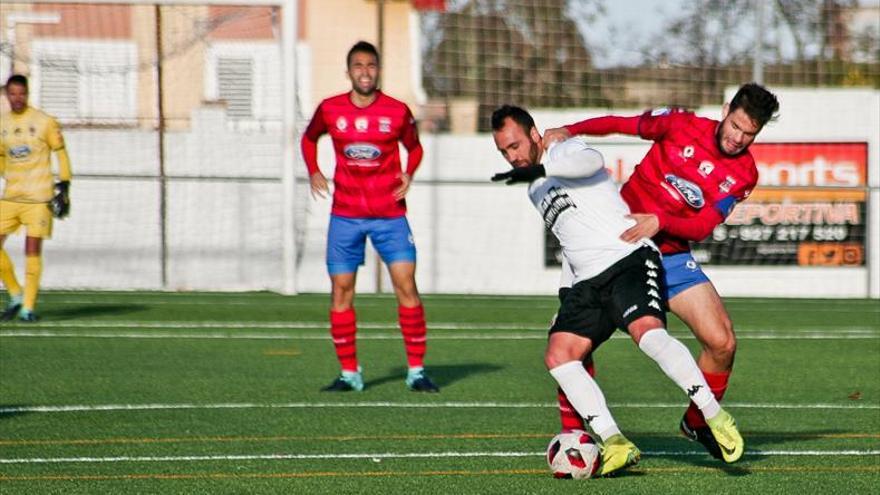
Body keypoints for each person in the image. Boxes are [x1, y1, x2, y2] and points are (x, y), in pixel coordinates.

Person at [490, 104, 745, 476]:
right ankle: (615, 442)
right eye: (504, 152)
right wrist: (567, 294)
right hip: (588, 279)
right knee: (559, 354)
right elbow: (568, 237)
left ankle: (713, 415)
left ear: (533, 135)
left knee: (648, 335)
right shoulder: (534, 187)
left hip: (627, 258)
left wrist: (543, 166)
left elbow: (591, 162)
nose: (512, 156)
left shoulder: (562, 150)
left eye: (515, 146)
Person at [543, 83, 779, 458]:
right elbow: (622, 122)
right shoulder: (680, 125)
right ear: (724, 110)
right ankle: (576, 437)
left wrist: (660, 220)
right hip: (617, 247)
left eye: (749, 134)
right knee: (573, 343)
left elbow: (703, 225)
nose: (738, 138)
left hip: (670, 253)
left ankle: (697, 423)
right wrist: (572, 130)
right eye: (735, 126)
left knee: (722, 342)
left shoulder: (744, 174)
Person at [300, 41, 438, 393]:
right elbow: (309, 137)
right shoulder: (330, 109)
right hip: (345, 215)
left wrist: (410, 173)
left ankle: (417, 371)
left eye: (371, 65)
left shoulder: (396, 111)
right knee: (341, 291)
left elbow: (415, 146)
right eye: (359, 65)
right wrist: (313, 170)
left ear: (378, 70)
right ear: (349, 72)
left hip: (390, 215)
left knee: (406, 286)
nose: (365, 71)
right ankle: (350, 374)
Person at [0, 74, 72, 322]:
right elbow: (1, 155)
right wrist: (6, 172)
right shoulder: (3, 124)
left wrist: (64, 184)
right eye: (12, 93)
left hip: (39, 198)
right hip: (11, 197)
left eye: (21, 93)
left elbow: (61, 153)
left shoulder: (44, 122)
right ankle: (16, 294)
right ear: (6, 95)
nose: (17, 98)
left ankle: (28, 308)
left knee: (32, 251)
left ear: (28, 94)